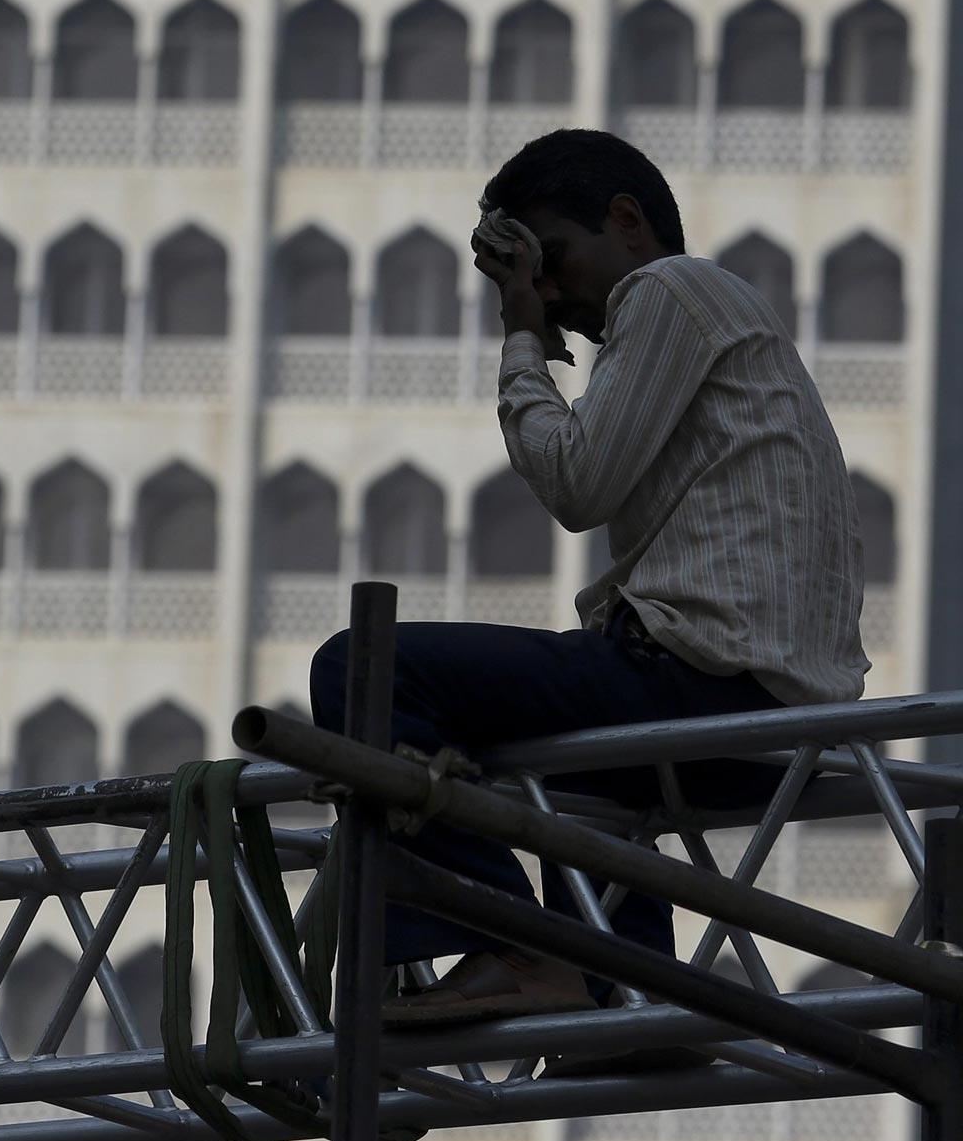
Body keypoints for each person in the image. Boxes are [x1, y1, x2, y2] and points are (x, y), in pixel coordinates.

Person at [307, 127, 869, 1033]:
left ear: (626, 220)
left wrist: (520, 333)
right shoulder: (723, 322)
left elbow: (576, 482)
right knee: (584, 779)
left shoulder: (670, 291)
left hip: (705, 684)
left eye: (553, 259)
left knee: (366, 673)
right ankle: (612, 990)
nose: (554, 292)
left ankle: (510, 943)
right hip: (759, 709)